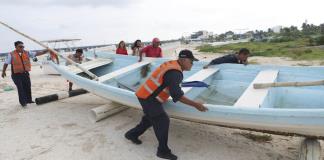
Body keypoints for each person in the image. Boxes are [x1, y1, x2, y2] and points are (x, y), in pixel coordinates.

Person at [125, 49, 208, 160]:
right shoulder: (175, 73)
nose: (192, 64)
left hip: (145, 94)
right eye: (191, 61)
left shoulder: (173, 66)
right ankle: (162, 151)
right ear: (183, 60)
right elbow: (177, 95)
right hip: (149, 98)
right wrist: (196, 104)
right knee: (162, 120)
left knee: (150, 118)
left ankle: (132, 134)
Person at [1, 41, 49, 107]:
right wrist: (3, 72)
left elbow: (37, 53)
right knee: (20, 88)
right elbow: (6, 63)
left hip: (25, 73)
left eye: (23, 46)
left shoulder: (27, 53)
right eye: (20, 47)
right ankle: (23, 103)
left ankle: (29, 100)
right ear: (16, 47)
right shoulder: (11, 54)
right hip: (16, 74)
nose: (22, 48)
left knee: (27, 86)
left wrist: (46, 50)